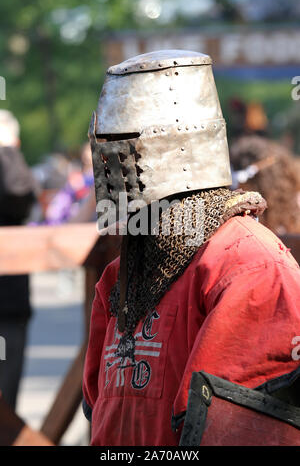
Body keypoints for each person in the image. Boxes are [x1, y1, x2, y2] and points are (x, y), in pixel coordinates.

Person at [82, 51, 300, 446]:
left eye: (123, 144)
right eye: (105, 144)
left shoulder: (249, 268)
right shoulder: (121, 274)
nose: (112, 162)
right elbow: (100, 411)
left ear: (176, 146)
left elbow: (237, 428)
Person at [0, 110, 37, 409]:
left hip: (8, 305)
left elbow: (19, 193)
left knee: (6, 405)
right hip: (8, 306)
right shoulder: (9, 162)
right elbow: (19, 190)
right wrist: (7, 147)